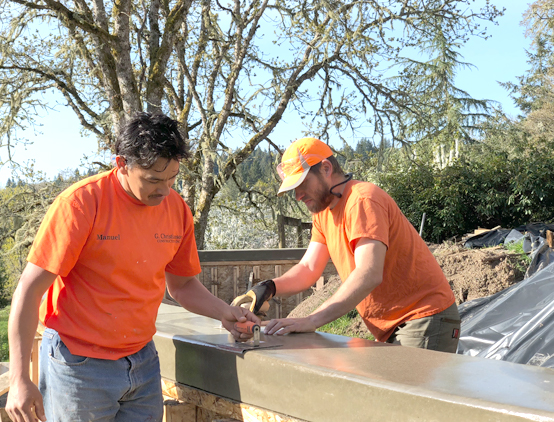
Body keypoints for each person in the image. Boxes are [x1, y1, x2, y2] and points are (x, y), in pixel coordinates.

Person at [6, 112, 259, 422]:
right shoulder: (81, 204)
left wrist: (224, 312)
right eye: (153, 179)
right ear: (122, 164)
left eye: (172, 178)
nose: (165, 189)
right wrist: (19, 378)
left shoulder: (177, 210)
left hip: (143, 362)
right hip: (77, 365)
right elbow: (28, 290)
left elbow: (182, 285)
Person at [234, 137, 460, 353]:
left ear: (326, 168)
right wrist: (268, 288)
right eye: (294, 188)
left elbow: (369, 273)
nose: (298, 196)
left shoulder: (362, 200)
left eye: (302, 183)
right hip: (395, 324)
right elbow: (308, 268)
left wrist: (312, 320)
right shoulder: (323, 213)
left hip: (423, 317)